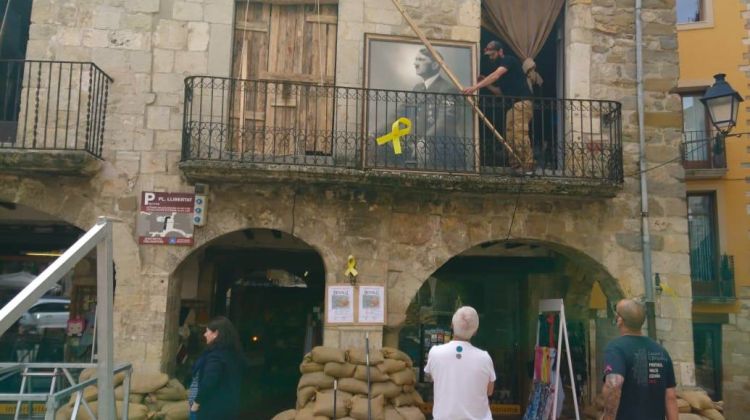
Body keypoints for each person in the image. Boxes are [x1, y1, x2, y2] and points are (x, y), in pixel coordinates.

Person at [462, 40, 534, 172]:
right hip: (513, 106)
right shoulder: (505, 75)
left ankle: (528, 166)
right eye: (489, 55)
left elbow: (495, 75)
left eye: (493, 54)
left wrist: (474, 87)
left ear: (500, 52)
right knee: (510, 135)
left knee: (519, 134)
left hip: (522, 103)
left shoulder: (508, 60)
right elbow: (499, 92)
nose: (491, 58)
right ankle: (517, 164)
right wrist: (486, 83)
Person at [600, 299, 678, 420]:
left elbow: (613, 385)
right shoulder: (661, 351)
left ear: (619, 320)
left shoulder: (615, 348)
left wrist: (608, 417)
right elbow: (670, 397)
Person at [424, 306, 495, 420]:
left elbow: (434, 378)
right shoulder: (484, 358)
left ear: (452, 325)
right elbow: (489, 391)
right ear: (475, 331)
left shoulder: (435, 353)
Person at [409, 47, 470, 171]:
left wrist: (425, 140)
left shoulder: (447, 89)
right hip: (419, 150)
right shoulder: (418, 88)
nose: (415, 63)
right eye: (416, 59)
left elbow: (445, 121)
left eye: (421, 60)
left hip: (443, 151)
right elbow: (400, 113)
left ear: (435, 65)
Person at [188, 316, 245, 420]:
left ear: (216, 334)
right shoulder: (233, 353)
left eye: (207, 331)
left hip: (212, 410)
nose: (205, 334)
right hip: (229, 407)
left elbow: (209, 382)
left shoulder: (216, 357)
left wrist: (196, 403)